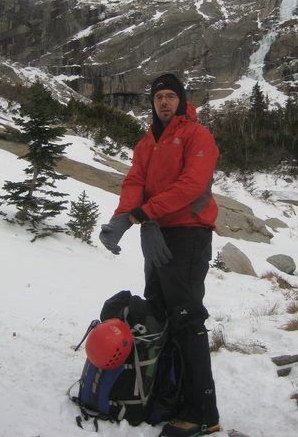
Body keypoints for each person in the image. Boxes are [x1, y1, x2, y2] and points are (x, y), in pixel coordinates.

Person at [99, 73, 220, 437]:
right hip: (156, 235)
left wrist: (145, 212)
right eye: (158, 97)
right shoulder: (146, 142)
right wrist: (122, 217)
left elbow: (192, 184)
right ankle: (166, 395)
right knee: (159, 315)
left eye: (170, 96)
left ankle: (202, 413)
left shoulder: (198, 135)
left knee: (185, 319)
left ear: (181, 101)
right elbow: (134, 181)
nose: (164, 102)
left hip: (188, 233)